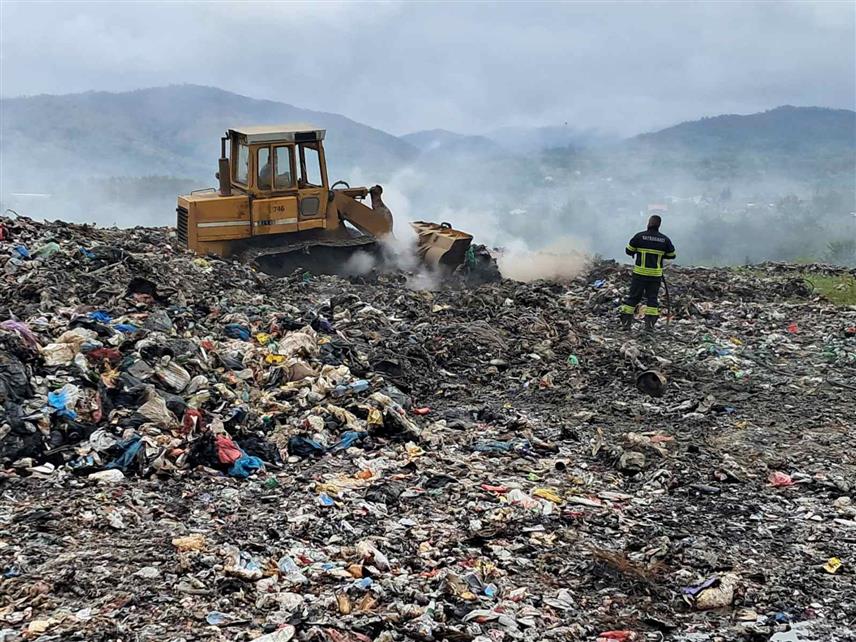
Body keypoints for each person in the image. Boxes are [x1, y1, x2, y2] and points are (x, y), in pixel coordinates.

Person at [619, 215, 676, 331]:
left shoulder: (639, 237)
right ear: (659, 225)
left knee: (633, 298)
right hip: (655, 276)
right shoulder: (664, 240)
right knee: (652, 300)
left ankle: (626, 324)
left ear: (648, 223)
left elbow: (628, 250)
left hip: (639, 274)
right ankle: (649, 326)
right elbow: (672, 255)